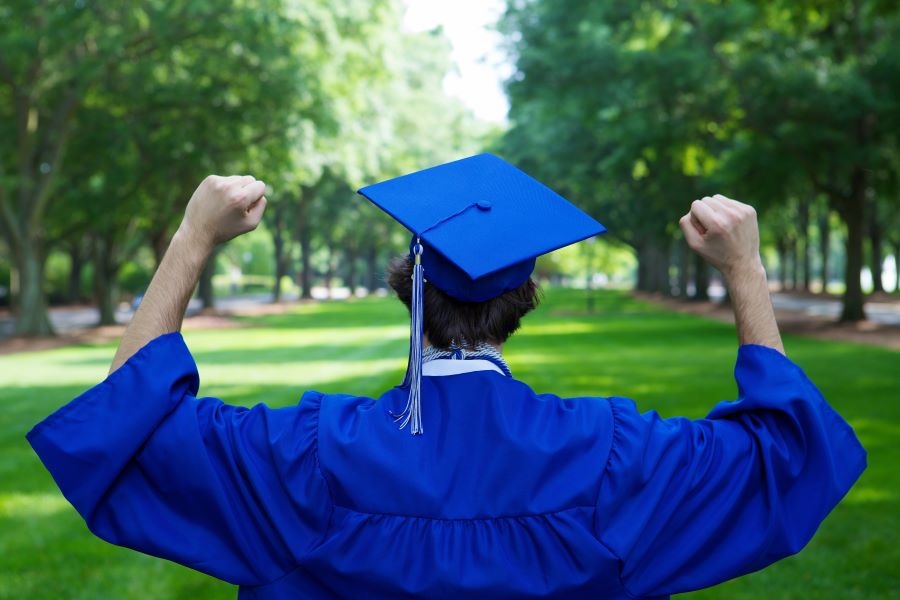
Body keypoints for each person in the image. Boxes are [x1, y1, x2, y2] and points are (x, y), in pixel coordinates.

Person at [26, 155, 866, 599]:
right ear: (525, 298)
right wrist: (745, 271)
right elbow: (788, 458)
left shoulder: (302, 459)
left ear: (409, 288)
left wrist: (191, 238)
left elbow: (126, 426)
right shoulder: (617, 460)